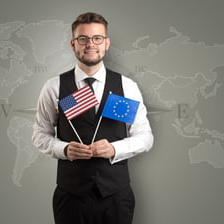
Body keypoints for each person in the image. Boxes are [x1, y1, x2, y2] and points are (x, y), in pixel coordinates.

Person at [32, 12, 154, 224]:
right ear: (73, 44)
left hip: (116, 197)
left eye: (97, 38)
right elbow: (40, 134)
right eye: (83, 39)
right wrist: (65, 149)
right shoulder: (55, 87)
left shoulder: (124, 87)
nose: (90, 44)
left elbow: (144, 137)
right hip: (70, 197)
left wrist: (115, 149)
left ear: (106, 43)